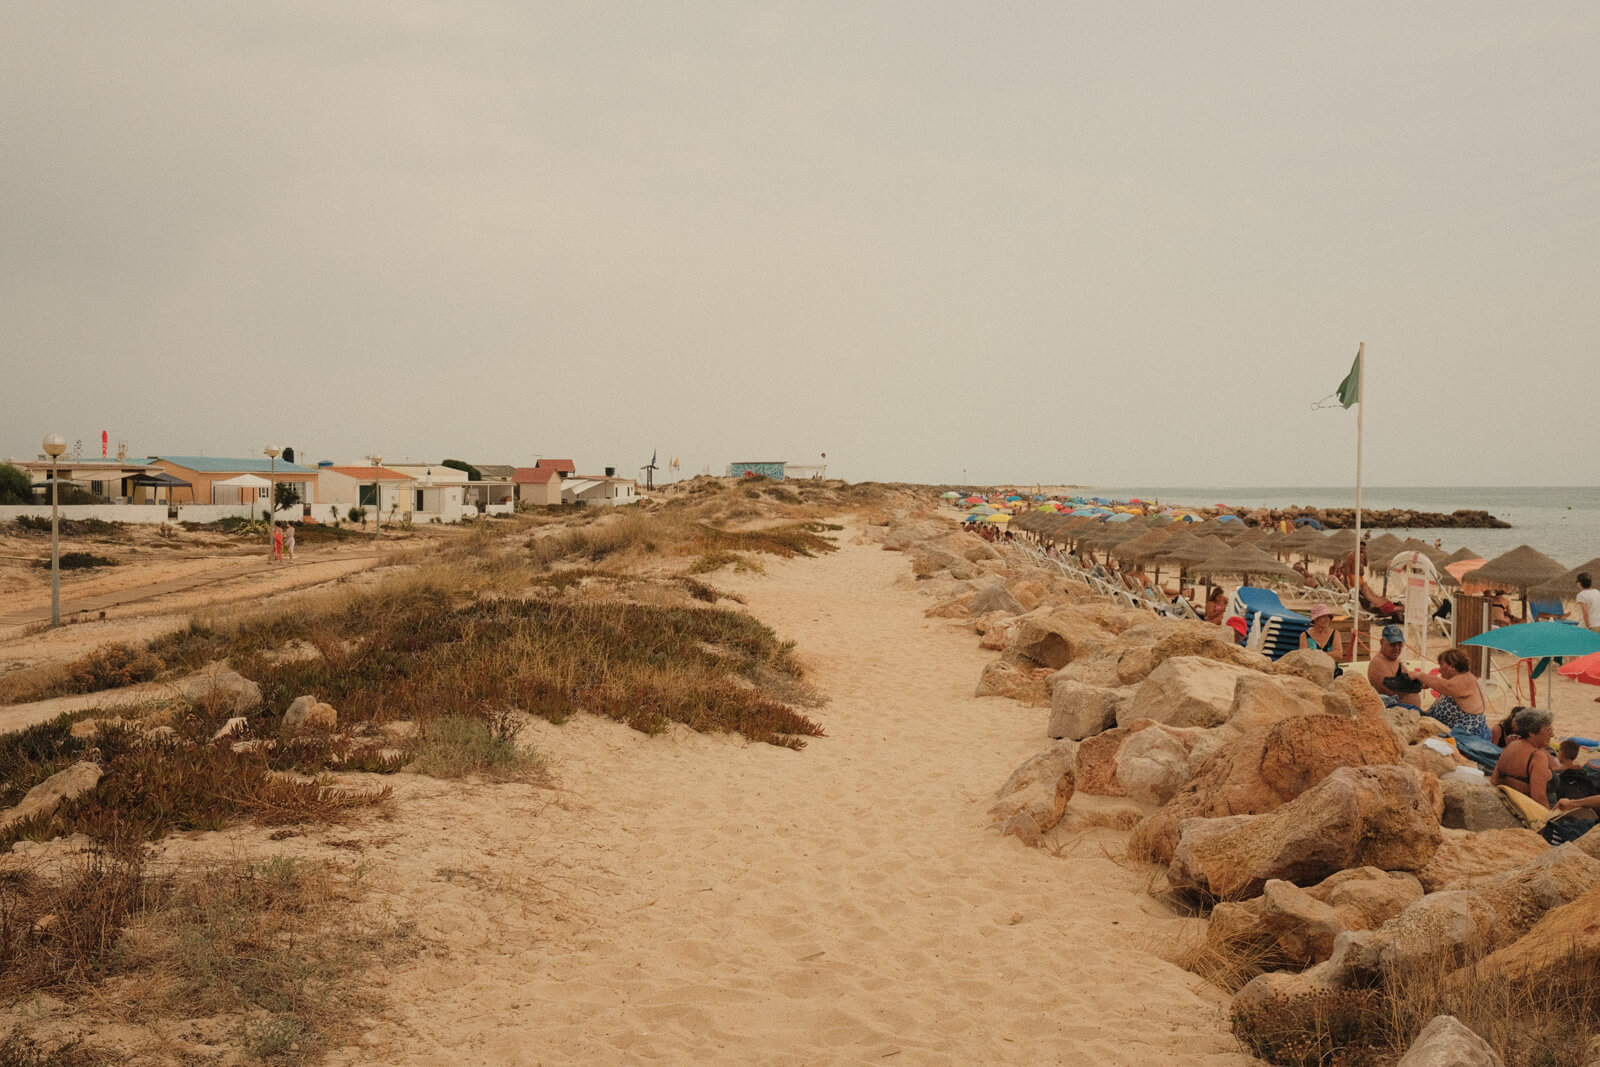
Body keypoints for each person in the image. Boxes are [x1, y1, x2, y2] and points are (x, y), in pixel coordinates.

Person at [1491, 707, 1556, 807]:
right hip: (1526, 807)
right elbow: (1539, 798)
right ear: (1532, 733)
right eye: (1548, 730)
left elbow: (1494, 780)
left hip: (1506, 801)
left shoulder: (1511, 746)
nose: (1552, 735)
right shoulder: (1537, 756)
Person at [1425, 647, 1491, 740]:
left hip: (1468, 738)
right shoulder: (1457, 680)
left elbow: (1446, 687)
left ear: (1452, 665)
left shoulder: (1465, 680)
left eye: (1441, 665)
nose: (1439, 670)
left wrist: (1419, 676)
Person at [1369, 625, 1408, 699]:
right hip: (1390, 707)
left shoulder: (1395, 660)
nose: (1397, 648)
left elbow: (1409, 676)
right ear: (1382, 642)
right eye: (1393, 644)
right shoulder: (1378, 662)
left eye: (1400, 644)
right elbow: (1391, 691)